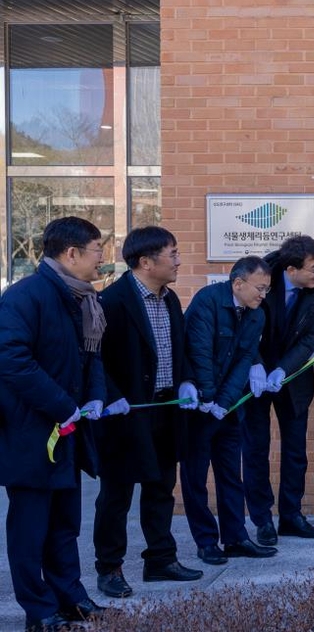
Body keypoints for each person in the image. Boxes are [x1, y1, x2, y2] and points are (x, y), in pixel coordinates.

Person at [0, 216, 108, 630]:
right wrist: (64, 405)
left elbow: (90, 357)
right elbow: (11, 359)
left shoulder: (82, 299)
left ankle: (71, 598)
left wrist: (95, 396)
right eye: (97, 249)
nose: (102, 257)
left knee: (65, 524)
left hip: (68, 434)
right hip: (31, 433)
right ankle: (39, 611)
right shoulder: (28, 296)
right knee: (30, 531)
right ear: (72, 254)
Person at [93, 227, 204, 598]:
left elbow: (179, 349)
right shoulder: (110, 301)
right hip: (125, 414)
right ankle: (109, 568)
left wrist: (187, 381)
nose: (178, 261)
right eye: (172, 254)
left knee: (161, 489)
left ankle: (161, 559)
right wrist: (111, 396)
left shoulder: (169, 299)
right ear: (145, 261)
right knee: (117, 496)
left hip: (166, 409)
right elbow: (93, 360)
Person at [179, 256, 278, 565]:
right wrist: (208, 398)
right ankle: (206, 542)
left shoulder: (256, 314)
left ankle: (235, 537)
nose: (263, 295)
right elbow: (199, 352)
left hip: (228, 409)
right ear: (238, 283)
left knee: (230, 474)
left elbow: (245, 359)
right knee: (195, 477)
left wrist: (224, 402)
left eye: (267, 289)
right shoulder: (208, 301)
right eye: (260, 288)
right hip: (198, 406)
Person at [243, 235, 314, 545]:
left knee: (295, 451)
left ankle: (291, 515)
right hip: (253, 377)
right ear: (291, 269)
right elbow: (243, 325)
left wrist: (283, 369)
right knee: (255, 450)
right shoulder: (260, 277)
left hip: (292, 376)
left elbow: (311, 338)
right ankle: (262, 518)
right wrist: (255, 364)